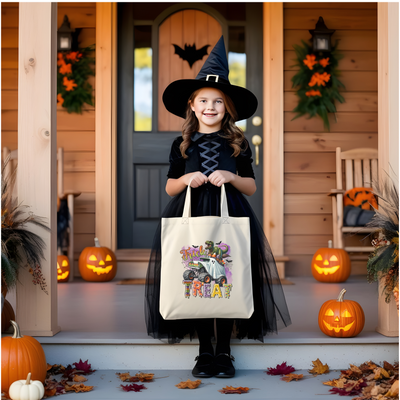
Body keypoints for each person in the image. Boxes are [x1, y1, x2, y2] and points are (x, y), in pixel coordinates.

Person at [145, 36, 291, 379]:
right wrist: (187, 179)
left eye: (218, 102)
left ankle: (224, 350)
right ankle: (203, 351)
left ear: (228, 108)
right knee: (196, 281)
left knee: (225, 279)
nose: (211, 107)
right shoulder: (181, 144)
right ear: (192, 106)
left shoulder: (237, 143)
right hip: (192, 214)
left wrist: (230, 175)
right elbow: (169, 185)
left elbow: (251, 186)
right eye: (203, 101)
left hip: (231, 215)